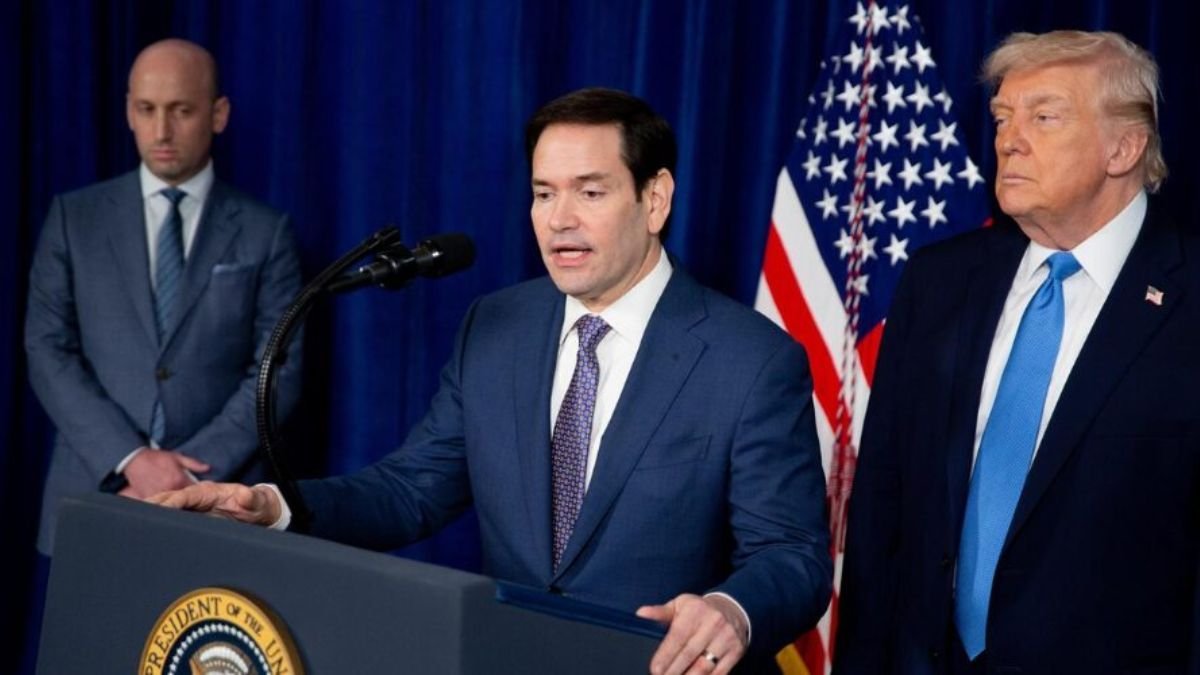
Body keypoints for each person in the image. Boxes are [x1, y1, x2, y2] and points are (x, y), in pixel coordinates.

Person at [152, 87, 832, 674]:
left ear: (654, 199)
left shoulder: (750, 359)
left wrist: (730, 610)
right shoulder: (496, 327)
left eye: (590, 191)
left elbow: (792, 556)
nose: (559, 219)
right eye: (544, 193)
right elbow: (411, 490)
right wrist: (272, 506)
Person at [834, 30, 1197, 674]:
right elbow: (882, 511)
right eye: (1003, 117)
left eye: (1044, 117)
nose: (1009, 139)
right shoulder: (939, 281)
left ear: (1123, 147)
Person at [25, 37, 303, 555]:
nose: (162, 131)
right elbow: (47, 349)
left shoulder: (267, 233)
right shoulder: (74, 219)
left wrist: (184, 475)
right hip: (96, 488)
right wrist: (132, 459)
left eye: (182, 111)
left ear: (218, 114)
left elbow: (278, 371)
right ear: (128, 111)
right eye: (147, 110)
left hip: (221, 500)